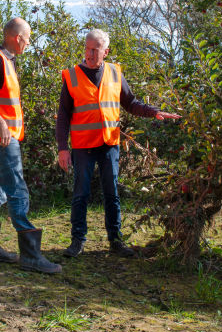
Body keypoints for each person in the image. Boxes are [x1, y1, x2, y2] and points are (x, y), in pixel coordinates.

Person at [56, 29, 180, 257]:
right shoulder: (71, 76)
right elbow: (63, 115)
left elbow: (131, 102)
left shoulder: (114, 72)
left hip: (109, 144)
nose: (90, 54)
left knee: (112, 193)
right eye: (87, 48)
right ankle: (77, 241)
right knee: (81, 193)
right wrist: (63, 148)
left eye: (95, 49)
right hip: (83, 146)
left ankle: (115, 240)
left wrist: (154, 112)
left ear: (106, 51)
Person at [0, 17, 62, 274]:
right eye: (28, 38)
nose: (29, 43)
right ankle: (31, 255)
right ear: (17, 38)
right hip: (1, 138)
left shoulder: (6, 61)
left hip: (1, 137)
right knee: (18, 190)